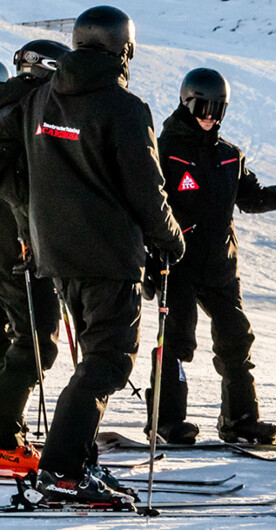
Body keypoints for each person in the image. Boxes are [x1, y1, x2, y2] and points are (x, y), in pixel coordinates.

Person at [0, 6, 184, 506]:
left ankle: (76, 462)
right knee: (106, 361)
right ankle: (62, 471)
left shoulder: (40, 100)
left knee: (93, 360)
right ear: (123, 49)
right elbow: (147, 188)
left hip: (56, 254)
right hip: (106, 255)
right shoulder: (124, 108)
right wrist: (169, 240)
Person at [146, 68, 276, 445]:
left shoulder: (229, 156)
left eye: (218, 109)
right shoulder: (164, 152)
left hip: (220, 265)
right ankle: (166, 421)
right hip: (175, 266)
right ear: (186, 102)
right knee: (177, 341)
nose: (210, 116)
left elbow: (254, 199)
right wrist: (147, 261)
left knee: (236, 338)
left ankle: (239, 420)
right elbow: (143, 208)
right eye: (203, 107)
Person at [0, 39, 70, 475]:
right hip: (18, 244)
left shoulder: (5, 104)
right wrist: (31, 235)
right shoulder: (30, 112)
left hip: (9, 239)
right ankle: (4, 438)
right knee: (38, 339)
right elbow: (21, 185)